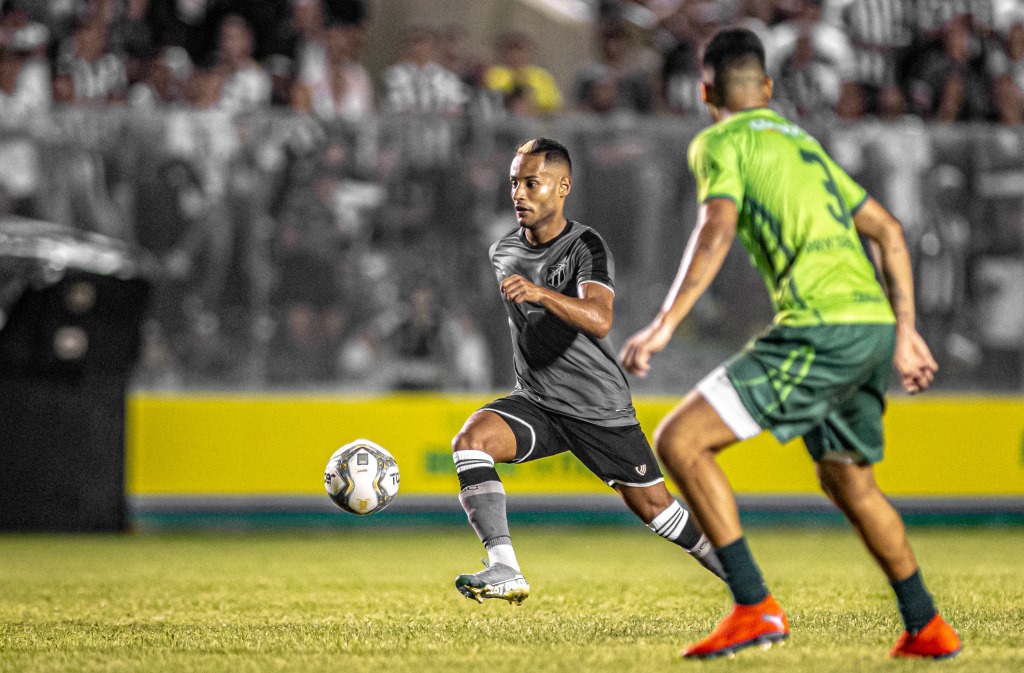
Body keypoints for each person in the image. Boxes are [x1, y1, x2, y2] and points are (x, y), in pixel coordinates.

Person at [619, 28, 962, 660]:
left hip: (822, 326)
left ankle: (753, 607)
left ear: (705, 91)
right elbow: (887, 230)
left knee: (678, 440)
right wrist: (907, 332)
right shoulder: (803, 143)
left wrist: (664, 323)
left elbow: (717, 223)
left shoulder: (720, 140)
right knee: (848, 481)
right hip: (871, 329)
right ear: (768, 89)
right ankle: (926, 625)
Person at [450, 137, 724, 606]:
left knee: (659, 512)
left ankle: (745, 582)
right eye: (514, 182)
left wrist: (542, 295)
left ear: (562, 188)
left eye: (531, 183)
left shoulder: (585, 245)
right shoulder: (503, 251)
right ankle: (506, 568)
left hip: (598, 408)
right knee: (471, 443)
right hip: (537, 401)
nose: (518, 193)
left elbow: (600, 319)